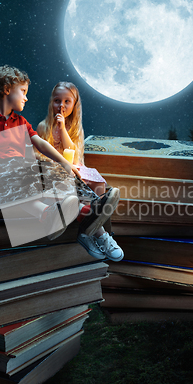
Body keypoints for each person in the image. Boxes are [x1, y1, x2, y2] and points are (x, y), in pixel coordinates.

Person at [0, 65, 117, 243]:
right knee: (23, 182)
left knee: (53, 173)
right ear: (7, 90)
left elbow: (40, 143)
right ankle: (70, 213)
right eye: (23, 92)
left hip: (20, 170)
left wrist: (64, 163)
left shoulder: (21, 121)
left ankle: (88, 210)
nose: (26, 98)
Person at [37, 81, 124, 262]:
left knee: (97, 182)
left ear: (74, 105)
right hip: (52, 170)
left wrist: (63, 129)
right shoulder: (43, 127)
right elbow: (40, 156)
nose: (61, 106)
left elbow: (74, 157)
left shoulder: (76, 128)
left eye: (67, 101)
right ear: (51, 102)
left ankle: (88, 233)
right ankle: (98, 234)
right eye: (57, 100)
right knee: (68, 184)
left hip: (73, 167)